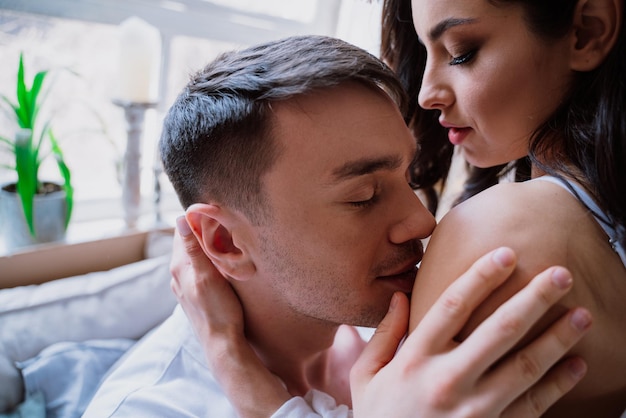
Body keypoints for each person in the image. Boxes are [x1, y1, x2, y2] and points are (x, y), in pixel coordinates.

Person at [84, 34, 590, 418]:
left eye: (407, 176)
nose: (422, 220)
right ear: (225, 241)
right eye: (362, 197)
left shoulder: (391, 343)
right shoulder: (151, 408)